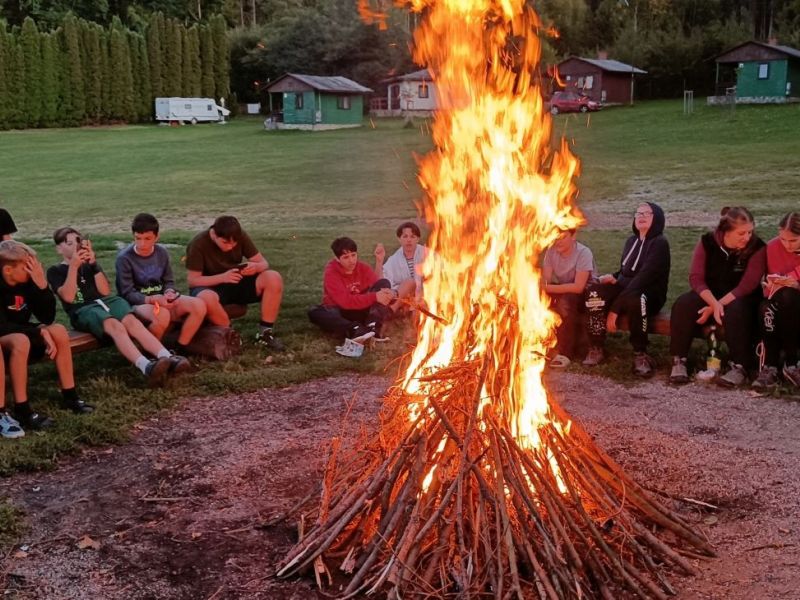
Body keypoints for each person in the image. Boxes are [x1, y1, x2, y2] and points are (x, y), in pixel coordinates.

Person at [47, 227, 188, 387]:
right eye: (69, 243)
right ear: (59, 249)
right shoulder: (55, 271)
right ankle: (146, 366)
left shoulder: (88, 265)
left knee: (131, 321)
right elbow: (69, 297)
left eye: (78, 242)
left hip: (106, 302)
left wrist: (93, 264)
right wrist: (73, 267)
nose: (75, 247)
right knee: (115, 325)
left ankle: (167, 356)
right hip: (83, 309)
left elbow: (104, 291)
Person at [0, 240, 92, 438]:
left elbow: (47, 317)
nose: (33, 269)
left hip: (21, 331)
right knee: (21, 340)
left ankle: (70, 395)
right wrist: (38, 332)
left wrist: (42, 286)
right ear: (8, 270)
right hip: (5, 336)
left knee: (58, 330)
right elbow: (2, 326)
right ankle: (22, 408)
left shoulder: (27, 281)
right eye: (27, 266)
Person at [668, 207, 765, 387]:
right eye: (741, 233)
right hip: (711, 294)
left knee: (736, 311)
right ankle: (679, 360)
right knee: (684, 304)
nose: (747, 237)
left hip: (741, 297)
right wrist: (713, 303)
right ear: (726, 232)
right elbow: (696, 278)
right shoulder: (708, 242)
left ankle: (740, 366)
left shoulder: (757, 247)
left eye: (750, 232)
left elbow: (748, 285)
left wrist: (716, 306)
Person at [583, 202, 670, 377]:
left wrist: (615, 309)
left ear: (657, 218)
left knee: (636, 300)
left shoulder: (660, 243)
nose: (641, 216)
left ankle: (641, 353)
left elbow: (643, 278)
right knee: (594, 294)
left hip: (649, 292)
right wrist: (614, 276)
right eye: (638, 213)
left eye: (647, 213)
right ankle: (596, 346)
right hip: (627, 288)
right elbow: (627, 271)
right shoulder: (631, 241)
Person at [185, 216, 284, 351]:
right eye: (225, 242)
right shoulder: (198, 244)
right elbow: (193, 280)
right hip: (209, 286)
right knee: (207, 297)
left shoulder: (239, 235)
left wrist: (255, 267)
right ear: (214, 234)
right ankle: (230, 335)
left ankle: (265, 334)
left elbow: (263, 263)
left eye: (234, 244)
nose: (230, 246)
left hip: (234, 280)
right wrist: (222, 277)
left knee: (273, 277)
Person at [116, 213, 207, 355]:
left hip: (161, 299)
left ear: (156, 237)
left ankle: (179, 348)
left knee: (198, 305)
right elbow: (126, 293)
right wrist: (151, 299)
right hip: (138, 303)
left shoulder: (161, 253)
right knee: (161, 314)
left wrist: (169, 292)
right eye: (138, 238)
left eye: (147, 239)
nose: (142, 244)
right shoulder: (125, 258)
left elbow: (168, 281)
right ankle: (151, 355)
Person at [308, 237, 394, 342]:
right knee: (314, 312)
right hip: (340, 310)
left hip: (359, 308)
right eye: (346, 257)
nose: (351, 261)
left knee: (384, 283)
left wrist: (388, 293)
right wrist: (374, 297)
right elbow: (345, 302)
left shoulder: (363, 268)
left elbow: (377, 286)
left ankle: (373, 326)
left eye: (353, 255)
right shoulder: (331, 272)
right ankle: (355, 329)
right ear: (337, 258)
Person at [752, 212, 800, 389]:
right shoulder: (773, 247)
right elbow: (770, 282)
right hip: (778, 299)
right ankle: (770, 366)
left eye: (793, 240)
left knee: (789, 296)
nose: (787, 244)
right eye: (783, 239)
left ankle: (792, 362)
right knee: (766, 307)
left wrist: (796, 285)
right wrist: (772, 284)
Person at [542, 229, 597, 368]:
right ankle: (538, 343)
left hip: (587, 293)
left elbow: (578, 287)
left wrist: (546, 288)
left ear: (573, 236)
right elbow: (545, 281)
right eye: (556, 237)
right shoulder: (551, 252)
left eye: (563, 237)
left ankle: (565, 352)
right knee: (537, 296)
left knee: (567, 301)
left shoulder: (583, 253)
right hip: (565, 288)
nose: (558, 241)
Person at [378, 222, 427, 302]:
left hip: (427, 297)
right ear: (399, 239)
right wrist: (379, 261)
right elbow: (382, 283)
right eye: (405, 236)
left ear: (418, 239)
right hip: (404, 299)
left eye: (412, 236)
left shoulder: (428, 254)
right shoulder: (394, 260)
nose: (409, 240)